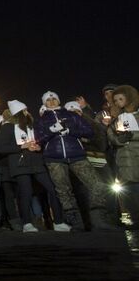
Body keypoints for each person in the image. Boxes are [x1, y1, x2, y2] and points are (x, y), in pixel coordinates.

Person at [36, 91, 115, 231]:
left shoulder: (71, 114)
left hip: (77, 154)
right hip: (54, 158)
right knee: (63, 190)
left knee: (96, 185)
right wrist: (52, 130)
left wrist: (71, 131)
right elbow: (39, 139)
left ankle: (98, 220)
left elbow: (89, 131)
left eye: (54, 98)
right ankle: (75, 222)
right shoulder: (42, 120)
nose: (52, 101)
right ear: (44, 103)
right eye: (48, 100)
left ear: (59, 100)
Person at [0, 100, 70, 233]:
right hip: (19, 163)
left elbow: (40, 139)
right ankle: (27, 223)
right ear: (17, 113)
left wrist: (38, 146)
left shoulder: (32, 125)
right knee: (26, 192)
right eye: (24, 111)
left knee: (52, 188)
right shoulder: (7, 127)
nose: (27, 113)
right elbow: (2, 148)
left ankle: (59, 222)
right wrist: (22, 146)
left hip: (36, 161)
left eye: (27, 110)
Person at [108, 85, 139, 227]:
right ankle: (135, 218)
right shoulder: (116, 119)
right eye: (115, 100)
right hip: (124, 160)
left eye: (121, 98)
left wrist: (132, 135)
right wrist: (119, 139)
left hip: (136, 155)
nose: (118, 102)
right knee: (129, 193)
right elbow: (112, 136)